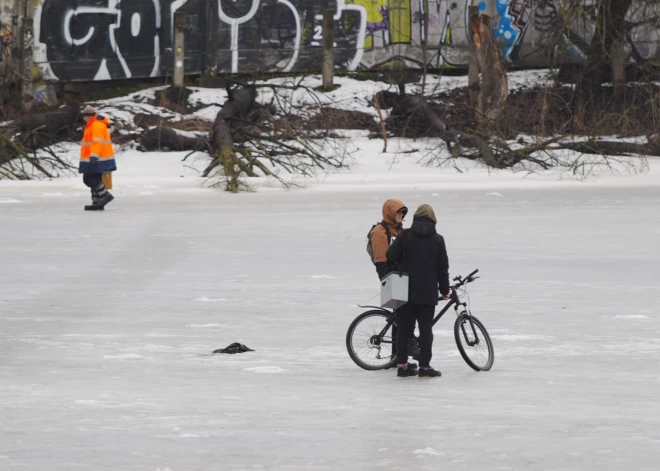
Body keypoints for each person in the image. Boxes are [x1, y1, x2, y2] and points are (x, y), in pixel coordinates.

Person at [386, 204, 450, 378]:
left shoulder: (405, 235)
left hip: (403, 289)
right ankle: (424, 366)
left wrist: (399, 266)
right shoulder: (438, 239)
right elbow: (442, 268)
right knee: (425, 330)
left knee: (403, 330)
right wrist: (444, 290)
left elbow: (390, 256)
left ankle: (402, 366)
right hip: (427, 292)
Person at [368, 199, 419, 369]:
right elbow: (381, 259)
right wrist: (387, 280)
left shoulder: (399, 231)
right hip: (392, 277)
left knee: (401, 316)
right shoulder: (380, 231)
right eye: (398, 212)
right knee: (402, 314)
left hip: (403, 276)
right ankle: (399, 355)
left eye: (403, 213)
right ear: (390, 213)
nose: (401, 216)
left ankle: (398, 356)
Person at [80, 105, 116, 211]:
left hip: (97, 158)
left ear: (89, 116)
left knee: (89, 179)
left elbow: (97, 142)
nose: (83, 118)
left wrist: (94, 155)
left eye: (84, 116)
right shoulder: (92, 124)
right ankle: (97, 202)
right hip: (96, 157)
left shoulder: (96, 125)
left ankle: (104, 195)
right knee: (95, 178)